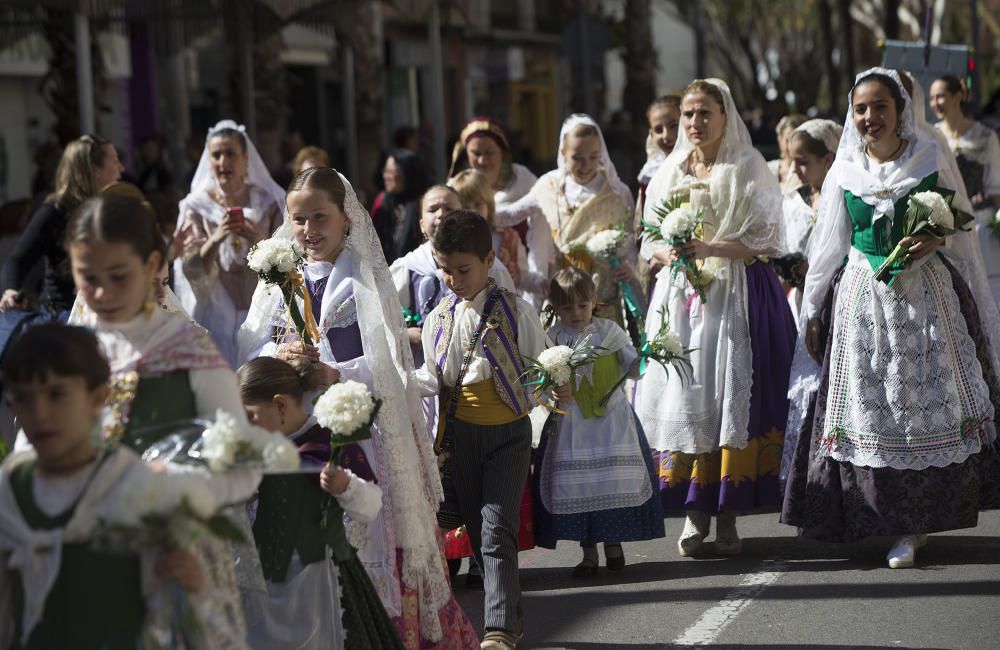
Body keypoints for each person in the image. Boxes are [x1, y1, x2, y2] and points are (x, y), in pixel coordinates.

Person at [239, 167, 479, 649]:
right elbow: (248, 349)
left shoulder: (366, 276)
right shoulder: (278, 279)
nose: (309, 230)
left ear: (346, 218)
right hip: (295, 429)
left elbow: (390, 366)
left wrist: (336, 373)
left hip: (357, 432)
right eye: (298, 219)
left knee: (362, 534)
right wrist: (276, 356)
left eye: (319, 217)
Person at [781, 68, 1000, 569]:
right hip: (862, 298)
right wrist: (814, 307)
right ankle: (877, 515)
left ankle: (913, 524)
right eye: (861, 108)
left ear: (901, 109)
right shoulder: (844, 170)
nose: (869, 117)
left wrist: (935, 238)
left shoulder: (927, 157)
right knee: (870, 405)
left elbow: (956, 230)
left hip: (925, 298)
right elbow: (830, 244)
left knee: (917, 400)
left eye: (880, 106)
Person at [63, 189, 265, 641]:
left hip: (175, 562)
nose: (101, 293)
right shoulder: (71, 354)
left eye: (118, 276)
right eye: (86, 277)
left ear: (154, 266)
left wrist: (177, 491)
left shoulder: (188, 350)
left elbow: (245, 467)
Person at [636, 79, 795, 557]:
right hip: (683, 297)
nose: (694, 123)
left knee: (727, 399)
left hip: (733, 293)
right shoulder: (670, 169)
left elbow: (767, 237)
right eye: (688, 114)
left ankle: (727, 514)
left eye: (704, 113)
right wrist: (669, 253)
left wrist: (710, 247)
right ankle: (693, 511)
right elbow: (646, 240)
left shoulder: (747, 166)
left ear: (725, 116)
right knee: (688, 396)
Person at [0, 324, 209, 649]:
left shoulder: (137, 489)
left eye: (57, 394)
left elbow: (181, 619)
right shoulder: (11, 493)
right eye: (23, 398)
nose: (39, 413)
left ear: (98, 397)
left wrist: (191, 586)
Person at [413, 211, 561, 650]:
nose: (454, 279)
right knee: (479, 537)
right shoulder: (439, 318)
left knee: (497, 528)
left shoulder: (516, 311)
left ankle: (496, 629)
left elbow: (543, 363)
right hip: (461, 440)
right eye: (445, 270)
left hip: (508, 437)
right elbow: (433, 376)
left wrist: (556, 387)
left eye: (463, 269)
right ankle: (511, 618)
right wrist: (392, 383)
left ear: (489, 260)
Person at [237, 356, 404, 650]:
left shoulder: (324, 446)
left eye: (249, 416)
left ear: (279, 405)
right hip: (270, 582)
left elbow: (371, 506)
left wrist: (346, 486)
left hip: (323, 584)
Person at [533, 267, 664, 577]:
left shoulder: (610, 331)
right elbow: (543, 379)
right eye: (567, 307)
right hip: (573, 421)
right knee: (581, 486)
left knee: (611, 480)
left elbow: (633, 368)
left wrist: (644, 358)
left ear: (593, 301)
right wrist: (552, 386)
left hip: (611, 420)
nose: (576, 313)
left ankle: (613, 543)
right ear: (556, 308)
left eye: (582, 304)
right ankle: (588, 552)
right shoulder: (553, 337)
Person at [496, 115, 639, 329]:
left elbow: (629, 240)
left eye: (593, 157)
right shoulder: (549, 186)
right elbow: (510, 215)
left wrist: (629, 265)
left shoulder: (617, 192)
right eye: (577, 158)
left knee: (605, 354)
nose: (586, 165)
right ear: (563, 154)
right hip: (562, 293)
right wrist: (474, 207)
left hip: (603, 293)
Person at [173, 120, 285, 367]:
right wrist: (216, 237)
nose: (223, 162)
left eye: (230, 154)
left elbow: (288, 258)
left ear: (246, 159)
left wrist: (258, 240)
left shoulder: (269, 202)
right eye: (216, 155)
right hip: (216, 312)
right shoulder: (197, 207)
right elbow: (190, 268)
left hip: (262, 307)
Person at [1, 134, 122, 313]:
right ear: (94, 170)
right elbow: (17, 260)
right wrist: (9, 291)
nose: (121, 168)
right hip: (64, 316)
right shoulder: (55, 211)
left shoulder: (114, 207)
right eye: (114, 161)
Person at [449, 118, 543, 308]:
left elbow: (541, 216)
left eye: (489, 153)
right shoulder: (456, 184)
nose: (483, 160)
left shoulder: (522, 179)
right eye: (476, 153)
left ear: (502, 151)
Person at [930, 74, 1000, 304]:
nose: (935, 103)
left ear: (958, 96)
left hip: (979, 223)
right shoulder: (931, 138)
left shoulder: (985, 137)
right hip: (946, 228)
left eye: (940, 96)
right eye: (931, 98)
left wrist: (987, 199)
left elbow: (995, 185)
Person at [779, 119, 842, 324]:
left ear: (828, 160)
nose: (794, 168)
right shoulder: (793, 201)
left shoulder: (841, 200)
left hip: (835, 299)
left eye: (803, 162)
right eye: (792, 160)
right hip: (799, 300)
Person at [637, 96, 682, 296]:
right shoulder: (650, 173)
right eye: (658, 129)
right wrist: (654, 254)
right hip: (660, 263)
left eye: (674, 126)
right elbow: (643, 224)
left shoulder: (700, 164)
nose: (667, 135)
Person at [371, 149, 433, 263]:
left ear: (408, 173)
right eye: (385, 171)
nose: (386, 176)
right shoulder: (383, 201)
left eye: (391, 171)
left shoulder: (425, 203)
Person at [769, 113, 808, 193]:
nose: (791, 147)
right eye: (788, 140)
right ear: (780, 139)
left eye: (796, 141)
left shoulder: (809, 173)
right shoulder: (768, 169)